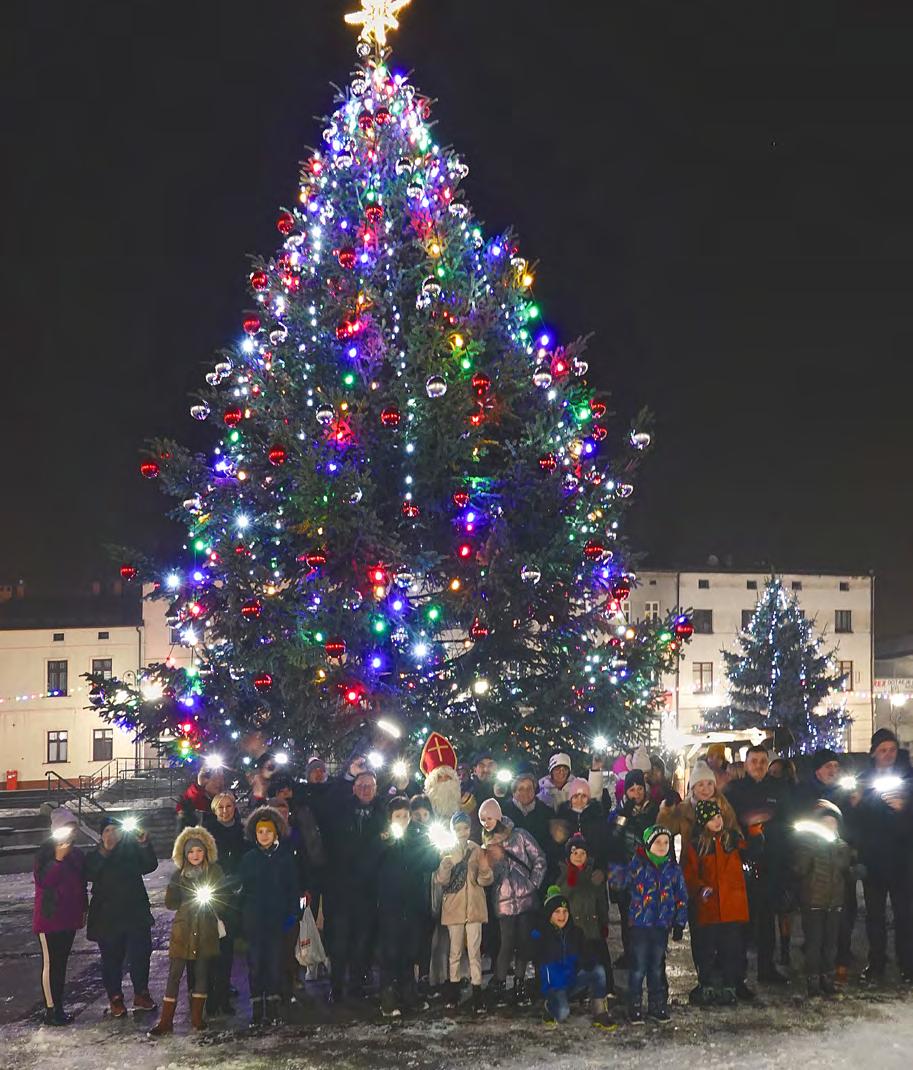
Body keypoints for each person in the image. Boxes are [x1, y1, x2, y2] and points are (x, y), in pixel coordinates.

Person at [724, 744, 792, 987]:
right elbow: (727, 824)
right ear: (746, 763)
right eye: (754, 761)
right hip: (743, 865)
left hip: (771, 863)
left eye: (763, 761)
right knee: (742, 923)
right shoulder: (734, 791)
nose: (759, 766)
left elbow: (787, 824)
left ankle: (766, 967)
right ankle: (738, 973)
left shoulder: (779, 789)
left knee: (766, 920)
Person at [792, 748, 860, 980]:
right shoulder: (805, 793)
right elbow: (797, 824)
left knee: (842, 916)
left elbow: (853, 826)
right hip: (815, 866)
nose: (834, 770)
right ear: (818, 770)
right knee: (815, 923)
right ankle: (814, 966)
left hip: (839, 863)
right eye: (828, 766)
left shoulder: (844, 793)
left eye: (836, 766)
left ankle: (839, 959)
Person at [150, 825, 224, 1036]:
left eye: (199, 850)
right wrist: (172, 890)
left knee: (201, 974)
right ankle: (166, 1020)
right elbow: (171, 904)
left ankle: (197, 1018)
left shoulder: (214, 872)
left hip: (205, 929)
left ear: (206, 851)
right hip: (183, 930)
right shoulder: (178, 875)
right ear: (184, 853)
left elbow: (222, 898)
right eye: (191, 851)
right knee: (174, 974)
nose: (195, 855)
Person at [609, 826, 688, 1024]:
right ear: (648, 844)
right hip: (639, 926)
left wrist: (679, 922)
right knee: (638, 968)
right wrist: (616, 854)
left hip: (661, 926)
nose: (662, 846)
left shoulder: (673, 869)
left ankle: (657, 1005)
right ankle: (634, 1006)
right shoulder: (637, 866)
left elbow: (681, 896)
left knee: (657, 967)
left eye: (666, 843)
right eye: (657, 842)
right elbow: (618, 881)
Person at [322, 769, 386, 1002]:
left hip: (368, 890)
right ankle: (336, 986)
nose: (365, 790)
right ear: (353, 788)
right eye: (360, 785)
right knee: (339, 941)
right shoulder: (341, 809)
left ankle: (357, 985)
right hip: (341, 889)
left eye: (370, 786)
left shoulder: (383, 813)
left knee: (363, 940)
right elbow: (328, 801)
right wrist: (348, 774)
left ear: (376, 789)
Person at [855, 728, 913, 983]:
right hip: (874, 860)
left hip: (902, 859)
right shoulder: (863, 779)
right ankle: (876, 961)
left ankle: (907, 963)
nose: (888, 754)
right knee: (875, 916)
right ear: (873, 752)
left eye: (892, 749)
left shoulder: (908, 776)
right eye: (882, 750)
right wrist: (858, 803)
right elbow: (857, 819)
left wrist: (904, 809)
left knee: (905, 915)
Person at [85, 815, 158, 1018]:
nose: (111, 834)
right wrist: (104, 852)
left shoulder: (131, 850)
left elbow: (150, 865)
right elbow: (89, 873)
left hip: (135, 912)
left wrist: (144, 845)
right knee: (111, 959)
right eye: (106, 831)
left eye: (114, 830)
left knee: (140, 955)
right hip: (107, 916)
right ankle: (115, 997)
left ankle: (141, 994)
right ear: (100, 836)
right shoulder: (95, 855)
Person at [681, 800, 751, 1007]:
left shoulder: (733, 840)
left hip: (732, 907)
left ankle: (730, 986)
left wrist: (756, 835)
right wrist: (700, 888)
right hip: (709, 907)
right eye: (712, 819)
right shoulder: (696, 845)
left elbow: (751, 853)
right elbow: (690, 873)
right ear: (703, 822)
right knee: (707, 948)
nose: (717, 821)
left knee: (732, 948)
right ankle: (707, 985)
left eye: (718, 816)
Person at [376, 796, 440, 1017]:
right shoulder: (383, 839)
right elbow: (372, 866)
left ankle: (408, 992)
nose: (402, 820)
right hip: (390, 904)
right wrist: (385, 844)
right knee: (391, 951)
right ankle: (387, 995)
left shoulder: (417, 837)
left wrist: (430, 844)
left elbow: (431, 863)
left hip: (412, 903)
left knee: (409, 950)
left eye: (405, 816)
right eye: (398, 816)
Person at [479, 798, 546, 1007]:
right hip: (504, 901)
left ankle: (519, 982)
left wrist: (532, 884)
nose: (485, 823)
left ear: (498, 817)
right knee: (506, 943)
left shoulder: (520, 836)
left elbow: (539, 859)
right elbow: (491, 876)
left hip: (525, 899)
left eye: (489, 818)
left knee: (524, 943)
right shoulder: (486, 844)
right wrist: (491, 862)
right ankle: (500, 982)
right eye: (482, 819)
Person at [238, 806, 300, 1025]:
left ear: (276, 833)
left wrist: (293, 913)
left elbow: (293, 888)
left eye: (268, 831)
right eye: (260, 832)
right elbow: (242, 890)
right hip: (254, 920)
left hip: (277, 920)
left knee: (275, 963)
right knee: (256, 965)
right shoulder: (249, 859)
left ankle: (273, 1007)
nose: (264, 836)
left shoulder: (284, 858)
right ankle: (257, 1007)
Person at [793, 800, 854, 996]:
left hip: (834, 902)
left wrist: (853, 867)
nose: (830, 826)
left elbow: (844, 868)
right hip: (814, 902)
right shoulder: (808, 845)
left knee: (830, 944)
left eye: (833, 823)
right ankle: (812, 980)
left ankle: (828, 978)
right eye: (826, 823)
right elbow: (799, 869)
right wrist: (809, 849)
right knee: (814, 943)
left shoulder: (842, 846)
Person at [435, 811, 494, 1015]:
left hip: (474, 908)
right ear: (452, 830)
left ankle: (477, 992)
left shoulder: (476, 850)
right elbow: (441, 881)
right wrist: (445, 866)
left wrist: (485, 869)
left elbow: (486, 880)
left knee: (475, 953)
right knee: (455, 952)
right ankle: (453, 990)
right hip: (454, 908)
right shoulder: (447, 850)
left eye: (465, 828)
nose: (462, 832)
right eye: (458, 828)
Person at [532, 886, 615, 1030]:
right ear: (549, 914)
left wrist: (588, 961)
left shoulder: (576, 932)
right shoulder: (542, 934)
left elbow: (584, 955)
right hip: (554, 987)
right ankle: (549, 1006)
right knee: (562, 1013)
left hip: (571, 981)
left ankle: (600, 1011)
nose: (562, 916)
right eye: (557, 912)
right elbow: (540, 964)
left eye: (565, 912)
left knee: (598, 971)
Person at [33, 807, 87, 1026]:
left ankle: (59, 1005)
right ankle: (50, 1009)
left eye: (73, 829)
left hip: (69, 918)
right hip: (49, 918)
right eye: (66, 829)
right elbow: (45, 882)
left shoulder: (77, 855)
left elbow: (81, 884)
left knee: (62, 964)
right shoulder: (45, 853)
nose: (70, 834)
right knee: (50, 963)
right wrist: (58, 859)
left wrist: (84, 909)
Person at [202, 792, 248, 1016]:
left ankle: (223, 993)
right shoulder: (207, 833)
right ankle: (210, 997)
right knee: (213, 948)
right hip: (213, 894)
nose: (225, 811)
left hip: (234, 896)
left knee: (228, 948)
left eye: (229, 806)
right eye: (221, 807)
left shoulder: (242, 832)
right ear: (214, 810)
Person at [607, 769, 658, 968]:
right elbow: (612, 839)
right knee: (626, 915)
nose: (636, 794)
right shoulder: (617, 813)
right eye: (632, 790)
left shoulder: (653, 811)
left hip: (646, 871)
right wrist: (623, 817)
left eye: (639, 789)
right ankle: (630, 954)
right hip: (622, 871)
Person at [556, 834, 614, 993]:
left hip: (592, 927)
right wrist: (570, 880)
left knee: (599, 959)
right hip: (574, 928)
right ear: (569, 856)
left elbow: (601, 901)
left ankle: (605, 988)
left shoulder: (594, 875)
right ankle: (576, 991)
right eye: (575, 853)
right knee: (575, 961)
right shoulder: (564, 875)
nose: (579, 857)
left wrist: (604, 922)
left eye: (582, 853)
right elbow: (559, 898)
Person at [556, 778, 609, 868]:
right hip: (567, 869)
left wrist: (601, 869)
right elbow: (557, 848)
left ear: (588, 799)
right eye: (576, 796)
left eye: (583, 796)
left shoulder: (597, 817)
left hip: (591, 869)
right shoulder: (562, 818)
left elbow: (604, 847)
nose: (579, 801)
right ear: (570, 799)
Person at [501, 771, 552, 854]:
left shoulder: (545, 811)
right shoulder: (504, 811)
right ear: (514, 793)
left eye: (529, 788)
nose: (525, 792)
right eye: (521, 789)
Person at [538, 751, 607, 812]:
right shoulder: (542, 794)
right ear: (551, 771)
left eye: (565, 769)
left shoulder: (576, 787)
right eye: (557, 768)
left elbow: (593, 796)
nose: (561, 772)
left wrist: (596, 769)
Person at [176, 767, 225, 831]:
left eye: (221, 779)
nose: (218, 783)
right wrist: (199, 787)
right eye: (214, 779)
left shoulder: (226, 801)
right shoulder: (190, 800)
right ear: (205, 781)